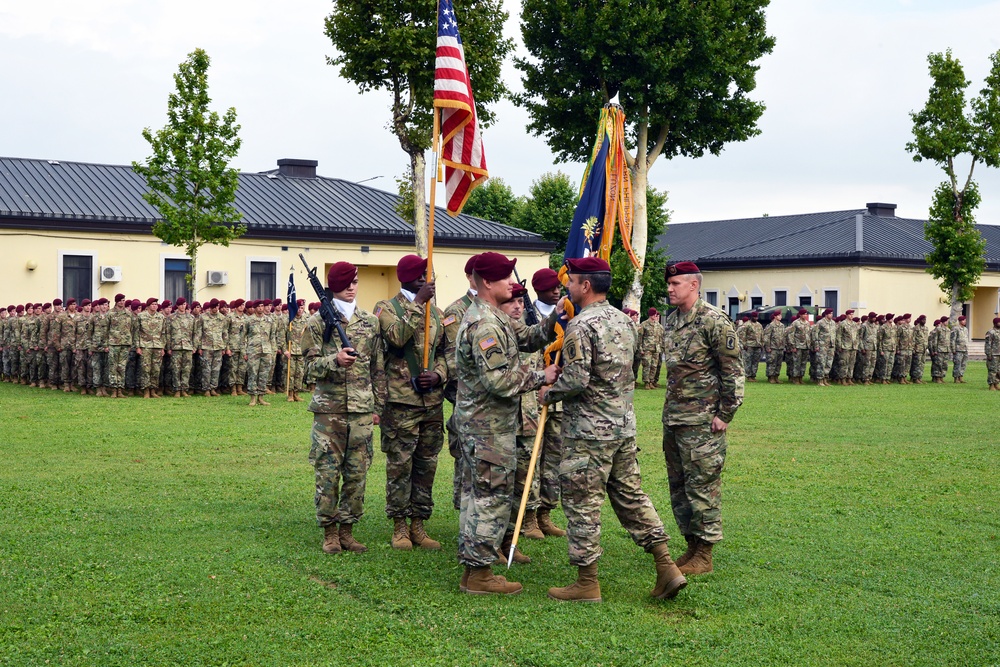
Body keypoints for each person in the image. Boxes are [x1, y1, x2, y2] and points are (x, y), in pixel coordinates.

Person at [541, 256, 686, 603]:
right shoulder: (624, 321)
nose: (568, 287)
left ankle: (586, 582)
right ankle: (667, 566)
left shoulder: (581, 325)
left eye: (572, 281)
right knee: (631, 497)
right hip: (622, 427)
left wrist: (550, 392)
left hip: (589, 432)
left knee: (582, 504)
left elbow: (576, 378)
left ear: (585, 286)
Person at [454, 251, 560, 595]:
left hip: (486, 425)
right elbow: (499, 381)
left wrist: (556, 316)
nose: (514, 285)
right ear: (488, 283)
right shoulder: (484, 324)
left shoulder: (494, 316)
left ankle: (474, 569)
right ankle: (481, 574)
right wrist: (540, 376)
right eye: (506, 279)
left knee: (478, 496)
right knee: (490, 498)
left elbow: (528, 337)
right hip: (487, 428)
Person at [660, 261, 744, 575]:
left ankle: (705, 554)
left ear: (694, 285)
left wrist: (725, 414)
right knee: (679, 486)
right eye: (669, 284)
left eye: (676, 284)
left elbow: (733, 371)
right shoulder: (672, 320)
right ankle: (692, 545)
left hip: (703, 422)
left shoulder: (714, 321)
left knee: (703, 486)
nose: (670, 289)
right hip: (676, 418)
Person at [303, 262, 386, 554]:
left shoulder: (369, 322)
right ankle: (330, 532)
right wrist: (334, 361)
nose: (352, 287)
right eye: (346, 282)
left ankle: (348, 530)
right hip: (330, 411)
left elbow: (378, 369)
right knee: (327, 472)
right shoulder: (316, 323)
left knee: (357, 473)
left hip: (362, 411)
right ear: (334, 285)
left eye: (355, 282)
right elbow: (308, 370)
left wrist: (379, 406)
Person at [375, 254, 449, 551]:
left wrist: (440, 375)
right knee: (400, 466)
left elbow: (447, 353)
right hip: (401, 403)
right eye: (420, 276)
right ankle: (400, 526)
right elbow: (396, 337)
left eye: (427, 276)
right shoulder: (386, 308)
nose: (426, 281)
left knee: (426, 464)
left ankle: (419, 523)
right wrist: (418, 302)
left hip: (431, 402)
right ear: (407, 277)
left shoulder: (439, 313)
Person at [529, 267, 567, 538]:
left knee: (554, 456)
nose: (556, 291)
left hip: (560, 395)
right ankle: (529, 515)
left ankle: (546, 512)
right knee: (533, 455)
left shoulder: (568, 315)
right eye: (551, 287)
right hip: (533, 396)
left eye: (558, 287)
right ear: (538, 289)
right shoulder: (526, 313)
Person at [442, 255, 480, 511]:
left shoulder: (501, 306)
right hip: (467, 395)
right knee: (465, 455)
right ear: (469, 276)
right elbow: (453, 357)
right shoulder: (457, 311)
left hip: (494, 398)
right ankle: (464, 508)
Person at [638, 308, 664, 389]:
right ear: (651, 315)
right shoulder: (644, 324)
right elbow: (640, 337)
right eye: (654, 314)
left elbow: (661, 337)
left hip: (656, 349)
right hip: (647, 348)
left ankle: (651, 381)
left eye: (656, 314)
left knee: (654, 366)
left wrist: (661, 348)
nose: (655, 316)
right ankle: (646, 382)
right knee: (647, 365)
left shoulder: (658, 326)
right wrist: (640, 348)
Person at [787, 309, 811, 384]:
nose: (805, 315)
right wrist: (793, 346)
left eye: (806, 314)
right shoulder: (795, 323)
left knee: (803, 363)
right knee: (797, 362)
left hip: (806, 346)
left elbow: (809, 334)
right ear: (800, 315)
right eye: (803, 314)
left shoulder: (807, 323)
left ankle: (801, 377)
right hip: (798, 345)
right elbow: (791, 335)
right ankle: (795, 378)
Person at [762, 310, 786, 383]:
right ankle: (771, 377)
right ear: (775, 317)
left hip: (780, 347)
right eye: (779, 315)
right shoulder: (771, 325)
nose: (780, 316)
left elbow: (783, 336)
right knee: (772, 362)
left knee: (779, 363)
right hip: (773, 347)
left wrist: (784, 346)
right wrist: (768, 347)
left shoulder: (782, 325)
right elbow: (767, 337)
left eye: (780, 315)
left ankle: (776, 377)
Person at [740, 311, 763, 381]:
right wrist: (744, 344)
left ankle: (753, 375)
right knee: (748, 361)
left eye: (757, 317)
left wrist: (762, 344)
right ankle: (749, 375)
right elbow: (743, 335)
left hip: (757, 345)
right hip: (749, 345)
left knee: (755, 362)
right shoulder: (746, 324)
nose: (756, 318)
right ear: (751, 317)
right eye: (754, 317)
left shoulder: (759, 325)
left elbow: (762, 334)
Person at [909, 315, 929, 384]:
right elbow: (913, 339)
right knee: (916, 364)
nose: (924, 321)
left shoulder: (926, 328)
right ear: (920, 320)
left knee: (922, 364)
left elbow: (926, 338)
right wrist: (913, 348)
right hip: (918, 348)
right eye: (923, 320)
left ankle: (919, 377)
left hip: (924, 348)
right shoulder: (916, 328)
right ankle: (915, 378)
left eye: (925, 320)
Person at [951, 315, 969, 383]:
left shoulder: (965, 329)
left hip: (965, 348)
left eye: (965, 320)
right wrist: (953, 349)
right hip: (958, 349)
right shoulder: (956, 329)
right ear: (960, 321)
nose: (965, 321)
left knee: (963, 364)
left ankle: (961, 377)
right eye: (964, 320)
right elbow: (953, 340)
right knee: (957, 364)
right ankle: (956, 378)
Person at [985, 317, 1000, 390]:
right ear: (995, 323)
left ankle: (996, 383)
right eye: (999, 322)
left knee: (998, 370)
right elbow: (988, 344)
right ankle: (991, 385)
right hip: (993, 354)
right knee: (992, 370)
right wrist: (989, 354)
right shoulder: (990, 332)